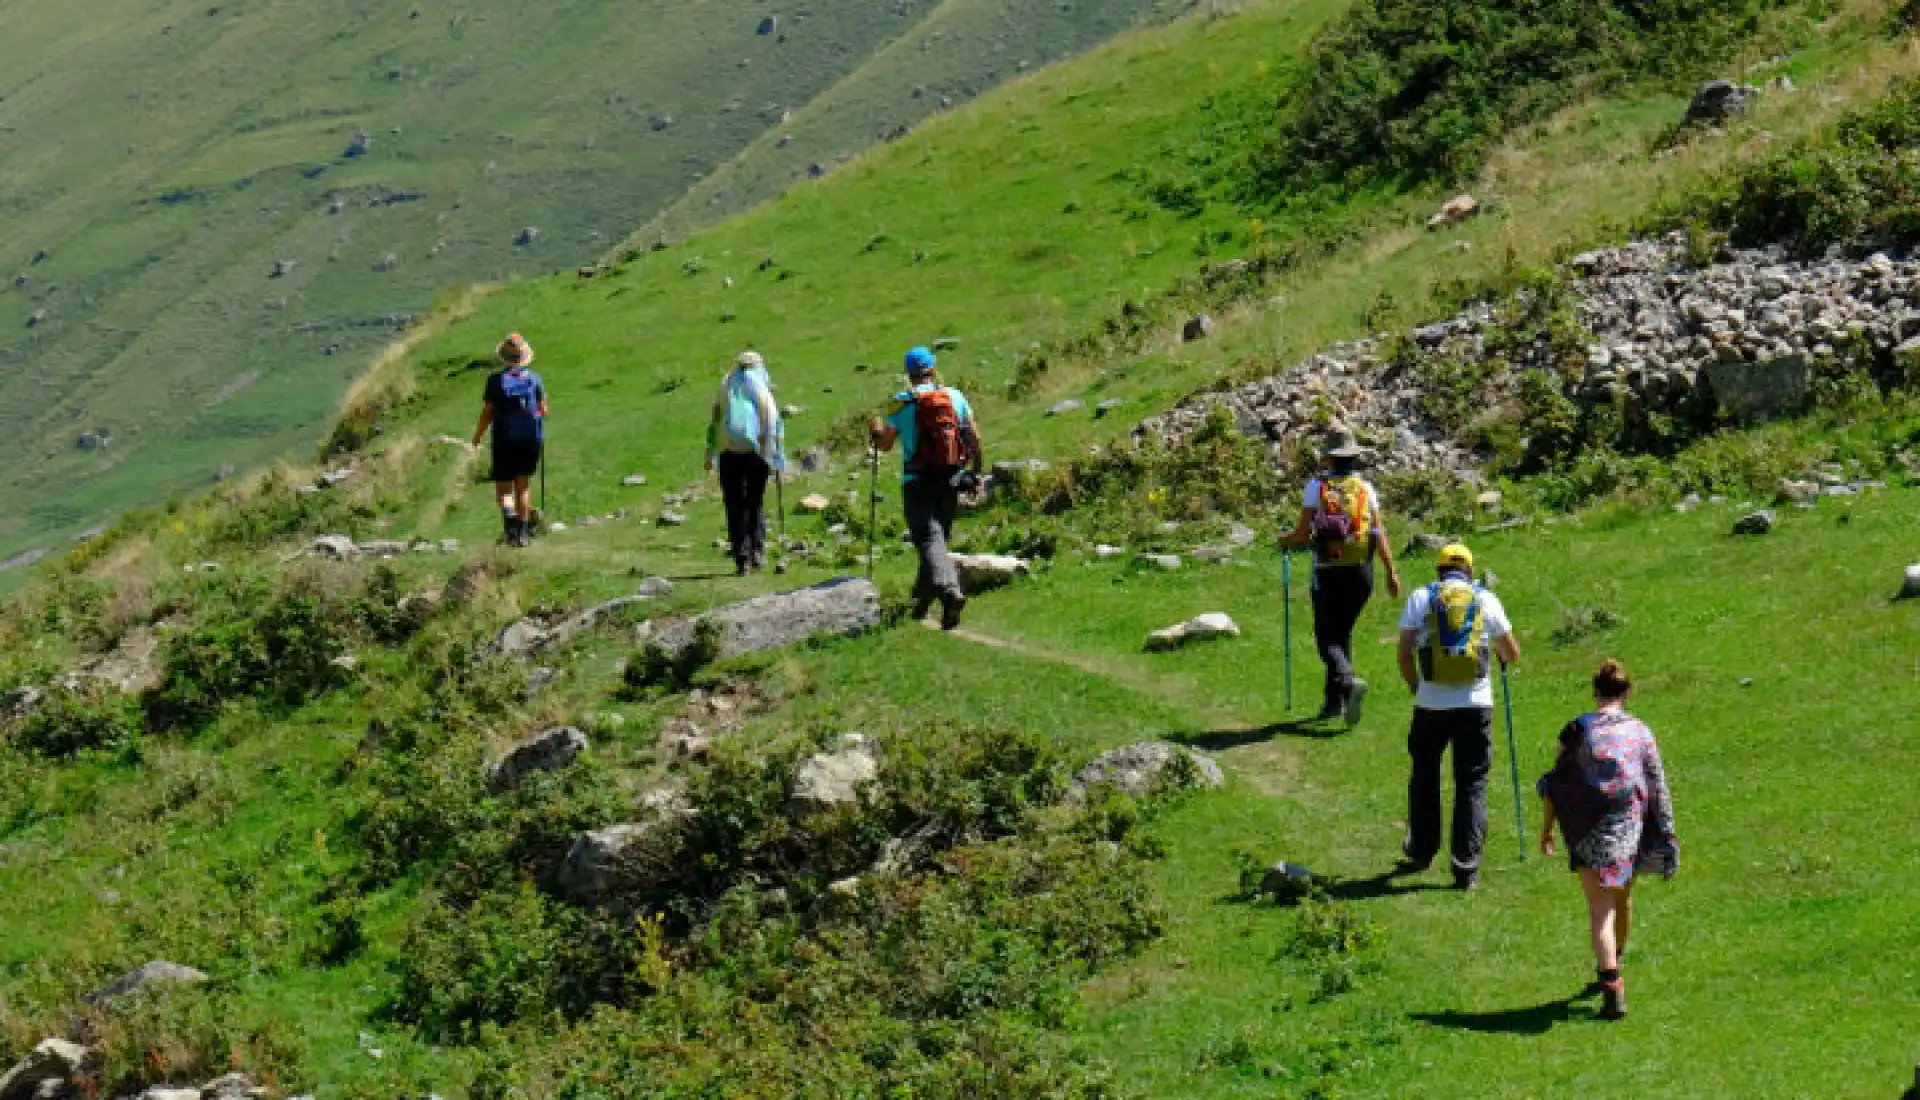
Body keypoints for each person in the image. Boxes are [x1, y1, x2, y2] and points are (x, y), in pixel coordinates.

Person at [1538, 659, 1678, 1020]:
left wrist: (1548, 829)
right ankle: (1618, 957)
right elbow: (1657, 785)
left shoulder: (1575, 730)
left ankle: (1611, 980)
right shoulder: (1641, 732)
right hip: (1628, 827)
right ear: (1627, 693)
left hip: (1586, 829)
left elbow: (1556, 783)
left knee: (1599, 911)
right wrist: (1666, 833)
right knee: (1623, 899)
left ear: (1595, 693)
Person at [1394, 541, 1519, 891]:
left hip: (1430, 704)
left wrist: (1415, 685)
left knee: (1424, 776)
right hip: (1476, 704)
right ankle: (1465, 867)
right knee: (1471, 783)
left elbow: (1404, 654)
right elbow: (1511, 653)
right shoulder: (1485, 600)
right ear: (1470, 571)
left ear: (1439, 571)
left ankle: (1421, 850)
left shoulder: (1422, 598)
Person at [1278, 426, 1403, 727]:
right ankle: (1336, 703)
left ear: (1328, 459)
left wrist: (1285, 540)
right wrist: (1390, 571)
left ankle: (1346, 683)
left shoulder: (1315, 488)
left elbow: (1301, 533)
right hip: (1362, 571)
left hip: (1328, 571)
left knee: (1326, 639)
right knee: (1342, 633)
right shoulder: (1366, 489)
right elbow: (1378, 533)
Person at [869, 346, 983, 630]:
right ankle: (920, 605)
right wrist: (976, 473)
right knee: (937, 542)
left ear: (909, 375)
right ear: (932, 370)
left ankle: (949, 591)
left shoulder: (901, 403)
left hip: (917, 480)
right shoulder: (954, 396)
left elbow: (884, 446)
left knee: (929, 540)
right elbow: (974, 435)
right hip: (950, 477)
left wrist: (876, 433)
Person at [705, 350, 785, 575]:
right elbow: (771, 418)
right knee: (755, 500)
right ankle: (757, 552)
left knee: (734, 503)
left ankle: (742, 559)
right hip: (755, 452)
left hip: (728, 452)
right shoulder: (759, 386)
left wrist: (709, 453)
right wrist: (775, 453)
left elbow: (715, 416)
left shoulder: (726, 384)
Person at [469, 332, 546, 547]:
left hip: (504, 439)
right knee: (523, 486)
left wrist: (477, 437)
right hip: (530, 439)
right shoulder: (535, 379)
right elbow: (543, 409)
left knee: (504, 489)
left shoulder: (495, 381)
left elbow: (487, 412)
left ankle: (510, 519)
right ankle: (522, 535)